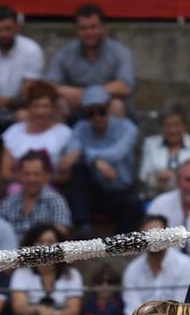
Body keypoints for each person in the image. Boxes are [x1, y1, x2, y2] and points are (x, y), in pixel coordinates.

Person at [58, 86, 143, 233]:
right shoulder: (81, 128)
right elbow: (70, 156)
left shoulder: (127, 128)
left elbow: (116, 154)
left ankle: (121, 243)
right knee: (78, 172)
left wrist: (86, 155)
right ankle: (82, 228)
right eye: (91, 113)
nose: (97, 117)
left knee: (133, 203)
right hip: (94, 190)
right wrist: (95, 162)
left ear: (109, 107)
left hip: (120, 190)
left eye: (101, 111)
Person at [45, 4, 136, 119]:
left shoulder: (120, 52)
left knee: (116, 106)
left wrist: (90, 95)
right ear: (77, 30)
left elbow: (125, 86)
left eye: (93, 27)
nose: (89, 33)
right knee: (58, 105)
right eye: (83, 28)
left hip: (107, 107)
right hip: (76, 108)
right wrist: (70, 93)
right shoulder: (65, 53)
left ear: (103, 28)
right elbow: (50, 85)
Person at [0, 80, 73, 180]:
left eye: (45, 106)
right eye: (36, 106)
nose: (40, 112)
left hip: (51, 189)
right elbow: (5, 172)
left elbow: (66, 176)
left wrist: (39, 182)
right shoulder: (13, 132)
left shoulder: (64, 133)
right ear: (29, 107)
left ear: (53, 108)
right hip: (18, 188)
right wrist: (28, 182)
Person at [141, 103, 190, 199]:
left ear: (184, 125)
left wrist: (172, 177)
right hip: (155, 196)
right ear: (162, 127)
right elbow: (143, 175)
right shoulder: (150, 143)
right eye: (168, 125)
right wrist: (159, 176)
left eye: (177, 125)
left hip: (187, 197)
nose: (172, 130)